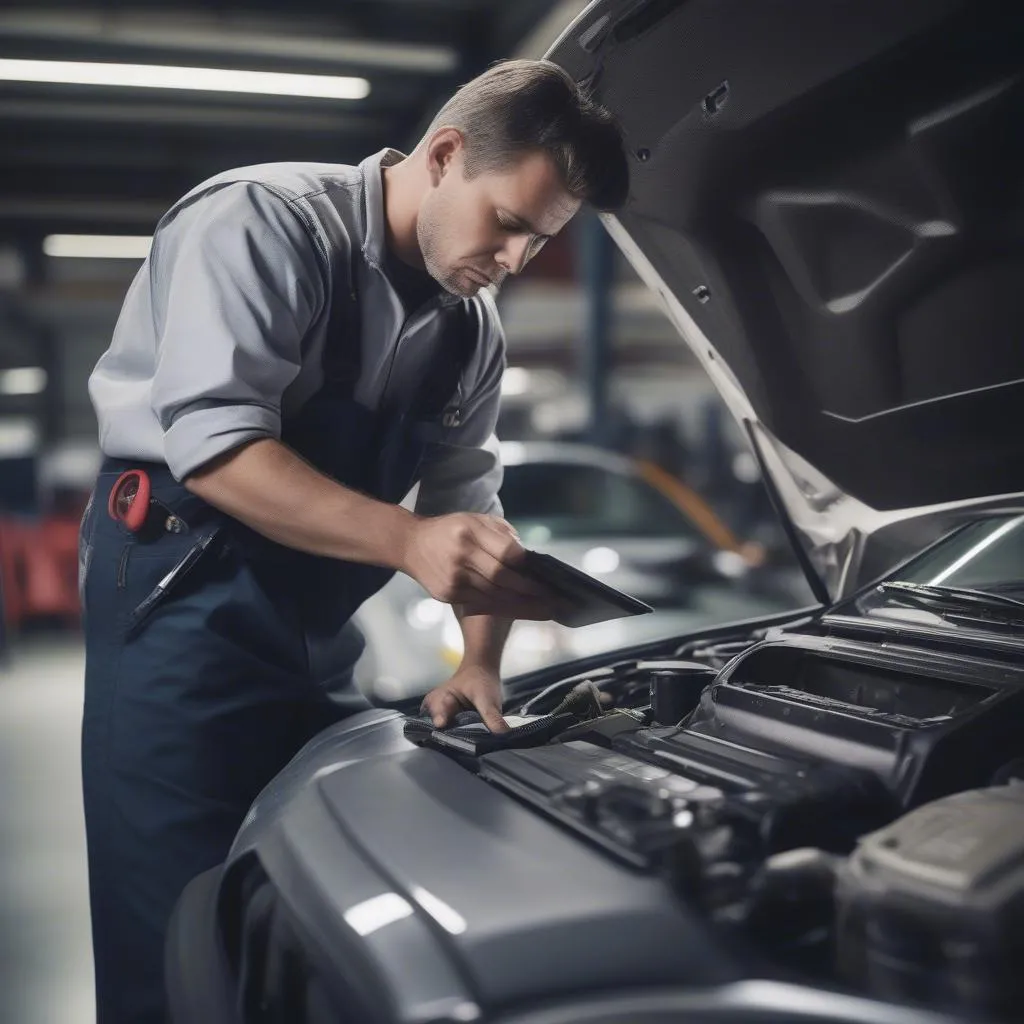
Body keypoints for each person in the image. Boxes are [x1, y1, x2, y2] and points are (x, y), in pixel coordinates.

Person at [78, 58, 629, 1023]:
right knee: (173, 933)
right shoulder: (265, 222)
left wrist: (480, 661)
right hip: (179, 603)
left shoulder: (472, 332)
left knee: (292, 912)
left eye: (537, 244)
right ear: (447, 154)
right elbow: (217, 451)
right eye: (506, 223)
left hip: (319, 635)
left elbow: (471, 499)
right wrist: (409, 540)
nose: (511, 262)